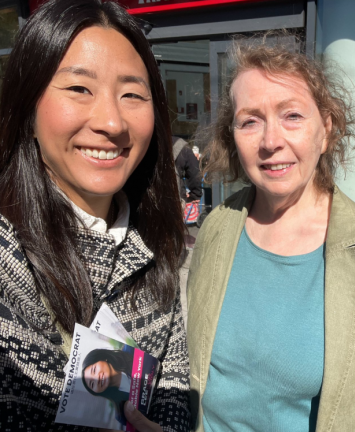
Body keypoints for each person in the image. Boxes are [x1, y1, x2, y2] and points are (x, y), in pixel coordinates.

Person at [186, 38, 355, 431]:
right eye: (249, 121)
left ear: (326, 130)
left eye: (292, 116)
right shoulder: (219, 225)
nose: (270, 141)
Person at [0, 1, 191, 430]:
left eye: (132, 95)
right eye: (79, 89)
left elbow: (173, 385)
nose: (111, 121)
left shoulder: (156, 247)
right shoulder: (6, 260)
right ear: (27, 111)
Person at [82, 347, 135, 426]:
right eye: (92, 384)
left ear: (103, 358)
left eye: (94, 370)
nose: (97, 379)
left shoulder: (130, 350)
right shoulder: (121, 414)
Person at [173, 136, 202, 203]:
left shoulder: (147, 141)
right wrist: (195, 195)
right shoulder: (181, 145)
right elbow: (194, 172)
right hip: (175, 198)